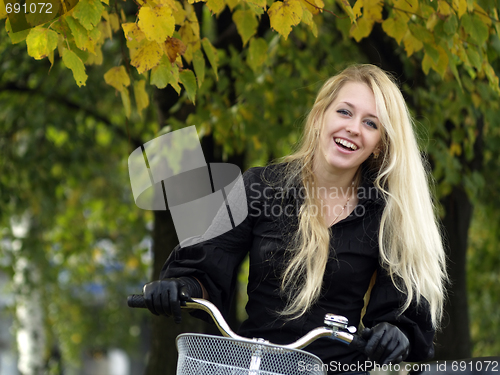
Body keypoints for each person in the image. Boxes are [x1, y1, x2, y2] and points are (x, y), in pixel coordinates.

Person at [142, 64, 448, 374]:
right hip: (257, 366)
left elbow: (402, 312)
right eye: (344, 112)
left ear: (379, 143)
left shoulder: (386, 214)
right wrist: (179, 286)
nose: (354, 128)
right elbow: (206, 269)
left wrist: (395, 333)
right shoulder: (260, 186)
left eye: (370, 123)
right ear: (319, 117)